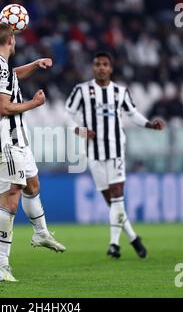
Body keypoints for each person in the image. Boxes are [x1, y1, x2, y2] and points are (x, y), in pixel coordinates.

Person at [0, 22, 66, 282]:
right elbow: (4, 108)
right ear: (10, 39)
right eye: (15, 38)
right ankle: (0, 263)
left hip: (18, 139)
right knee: (11, 197)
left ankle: (40, 232)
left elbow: (12, 74)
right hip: (6, 139)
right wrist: (35, 103)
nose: (16, 42)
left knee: (32, 184)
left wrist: (35, 64)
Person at [65, 51, 165, 259]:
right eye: (97, 64)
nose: (101, 67)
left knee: (117, 196)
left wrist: (149, 124)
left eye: (105, 64)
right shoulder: (81, 90)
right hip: (93, 153)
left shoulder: (120, 92)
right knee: (112, 202)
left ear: (111, 68)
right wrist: (79, 130)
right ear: (93, 68)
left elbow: (132, 114)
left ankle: (113, 244)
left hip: (116, 150)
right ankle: (134, 238)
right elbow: (67, 115)